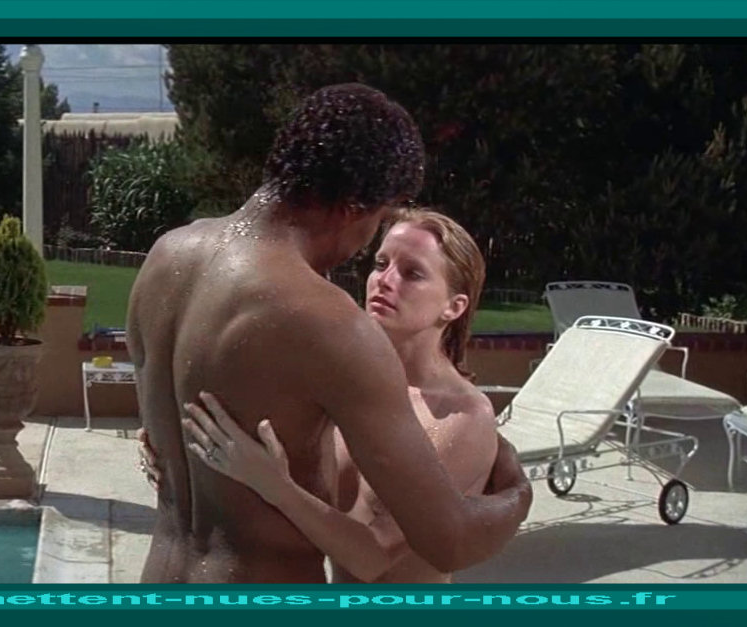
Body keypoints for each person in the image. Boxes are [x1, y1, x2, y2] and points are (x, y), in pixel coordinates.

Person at [127, 82, 531, 584]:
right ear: (354, 207)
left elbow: (163, 437)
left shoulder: (165, 257)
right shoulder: (327, 322)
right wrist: (517, 492)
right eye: (379, 222)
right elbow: (448, 539)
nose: (370, 257)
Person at [153, 208, 499, 583]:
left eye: (412, 273)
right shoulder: (342, 385)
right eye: (381, 264)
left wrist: (275, 487)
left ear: (453, 306)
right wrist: (176, 455)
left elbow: (372, 559)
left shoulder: (463, 418)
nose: (384, 281)